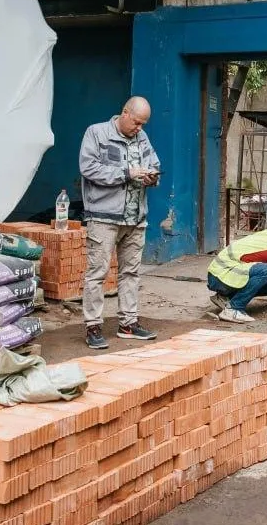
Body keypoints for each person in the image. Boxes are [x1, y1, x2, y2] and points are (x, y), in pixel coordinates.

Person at [77, 96, 161, 349]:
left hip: (136, 217)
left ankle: (128, 323)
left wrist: (152, 176)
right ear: (124, 113)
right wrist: (127, 173)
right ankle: (93, 326)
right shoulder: (97, 133)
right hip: (104, 216)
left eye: (143, 124)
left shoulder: (142, 138)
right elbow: (88, 168)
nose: (139, 128)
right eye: (136, 122)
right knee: (97, 273)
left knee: (131, 272)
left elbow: (154, 163)